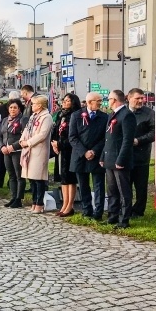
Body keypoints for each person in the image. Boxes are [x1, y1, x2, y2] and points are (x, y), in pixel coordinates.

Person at [100, 90, 137, 230]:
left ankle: (124, 218)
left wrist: (121, 159)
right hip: (110, 158)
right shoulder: (112, 115)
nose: (107, 101)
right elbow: (108, 138)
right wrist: (103, 156)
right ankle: (112, 215)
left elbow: (127, 140)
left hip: (120, 159)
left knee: (123, 191)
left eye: (109, 99)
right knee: (112, 190)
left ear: (115, 100)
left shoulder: (127, 115)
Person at [69, 93, 108, 221]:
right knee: (83, 184)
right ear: (90, 102)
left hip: (96, 155)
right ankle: (87, 209)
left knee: (98, 185)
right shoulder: (76, 115)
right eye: (98, 101)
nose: (101, 103)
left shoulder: (104, 117)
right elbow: (72, 137)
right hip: (80, 156)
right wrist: (84, 152)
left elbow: (105, 137)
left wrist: (94, 151)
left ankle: (98, 211)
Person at [18, 95, 53, 213]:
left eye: (34, 104)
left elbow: (42, 135)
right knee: (31, 178)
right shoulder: (33, 116)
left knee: (38, 178)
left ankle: (39, 203)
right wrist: (22, 141)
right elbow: (27, 129)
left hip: (39, 150)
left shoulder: (46, 117)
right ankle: (34, 201)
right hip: (29, 149)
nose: (32, 106)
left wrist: (28, 142)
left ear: (40, 105)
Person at [51, 94, 82, 217]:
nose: (64, 102)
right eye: (64, 100)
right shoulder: (60, 115)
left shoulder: (75, 115)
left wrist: (60, 143)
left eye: (68, 101)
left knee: (70, 179)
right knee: (63, 179)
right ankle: (64, 203)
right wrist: (54, 143)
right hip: (60, 149)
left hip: (69, 150)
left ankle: (70, 205)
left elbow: (73, 135)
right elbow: (55, 131)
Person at [128, 88, 155, 218]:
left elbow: (154, 132)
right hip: (125, 156)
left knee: (140, 186)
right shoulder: (123, 112)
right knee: (125, 185)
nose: (140, 101)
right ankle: (126, 208)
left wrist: (139, 141)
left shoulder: (149, 113)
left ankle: (138, 210)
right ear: (129, 98)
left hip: (141, 156)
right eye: (137, 98)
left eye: (142, 98)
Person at [0, 99, 27, 207]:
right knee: (11, 175)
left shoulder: (23, 119)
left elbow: (24, 136)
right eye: (10, 107)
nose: (12, 109)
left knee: (19, 175)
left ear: (19, 109)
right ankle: (13, 196)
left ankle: (19, 199)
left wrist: (13, 146)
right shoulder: (5, 120)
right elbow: (0, 135)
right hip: (6, 151)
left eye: (15, 107)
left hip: (17, 151)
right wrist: (1, 146)